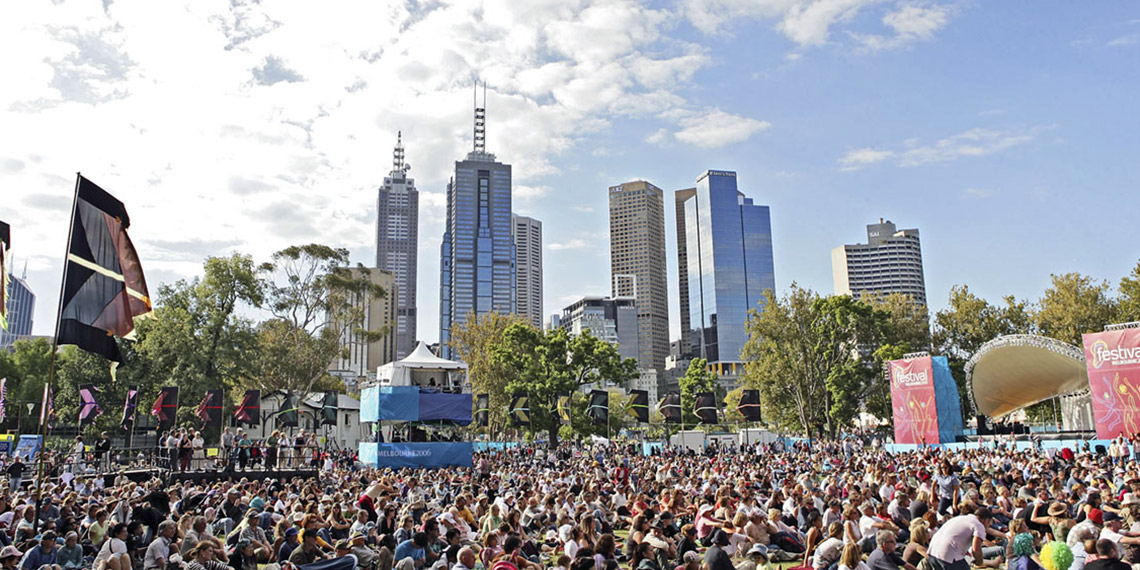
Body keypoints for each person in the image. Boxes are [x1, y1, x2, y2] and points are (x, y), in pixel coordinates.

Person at [928, 507, 998, 570]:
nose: (988, 526)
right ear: (987, 520)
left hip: (932, 551)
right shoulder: (978, 525)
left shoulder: (960, 518)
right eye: (989, 523)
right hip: (948, 554)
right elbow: (976, 549)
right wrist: (980, 563)